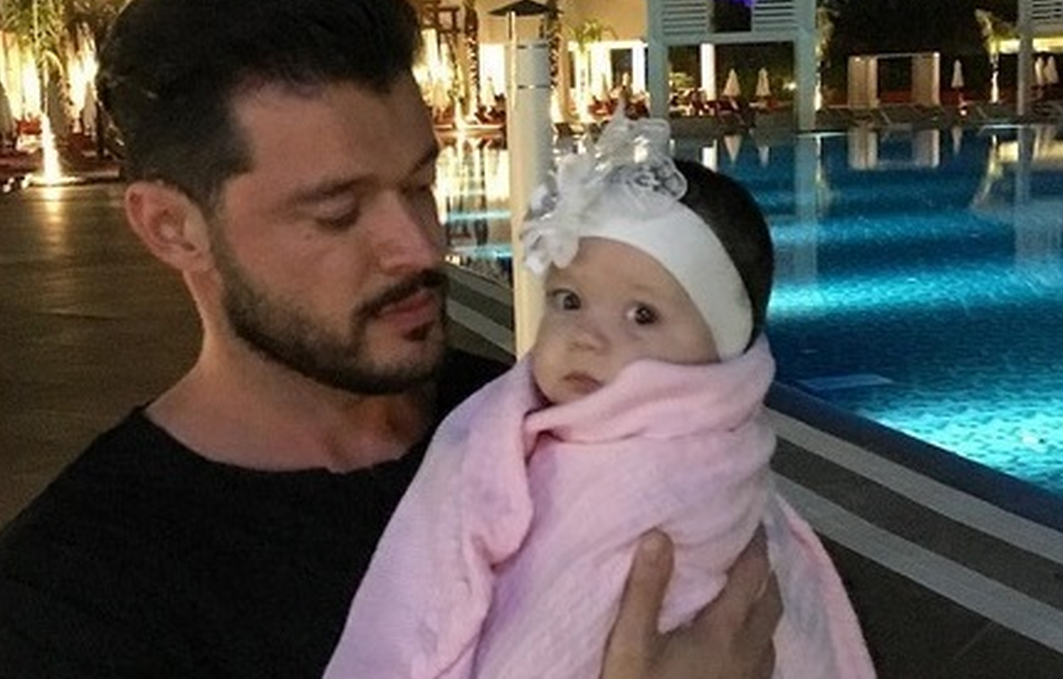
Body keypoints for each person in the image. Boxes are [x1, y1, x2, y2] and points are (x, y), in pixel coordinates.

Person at [0, 0, 781, 677]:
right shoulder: (76, 592)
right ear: (173, 228)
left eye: (421, 185)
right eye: (338, 212)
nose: (420, 246)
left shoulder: (547, 427)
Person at [327, 115, 874, 678]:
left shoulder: (679, 475)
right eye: (568, 301)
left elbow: (559, 628)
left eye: (642, 315)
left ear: (722, 351)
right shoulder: (508, 424)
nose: (586, 336)